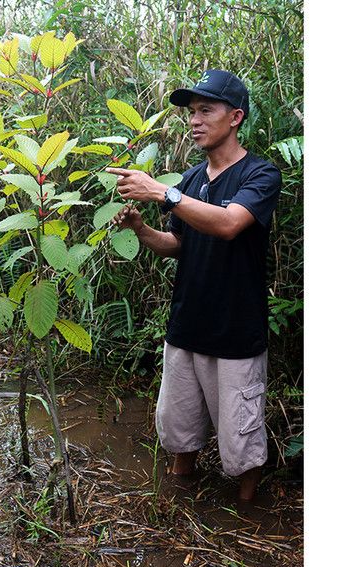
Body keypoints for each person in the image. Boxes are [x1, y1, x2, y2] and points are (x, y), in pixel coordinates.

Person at [107, 70, 282, 503]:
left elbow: (228, 224)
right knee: (179, 430)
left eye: (206, 110)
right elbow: (177, 246)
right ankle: (178, 504)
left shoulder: (260, 174)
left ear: (236, 116)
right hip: (186, 326)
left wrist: (160, 193)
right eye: (191, 112)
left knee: (241, 442)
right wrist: (142, 228)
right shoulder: (190, 179)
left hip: (235, 333)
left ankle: (245, 514)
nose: (194, 120)